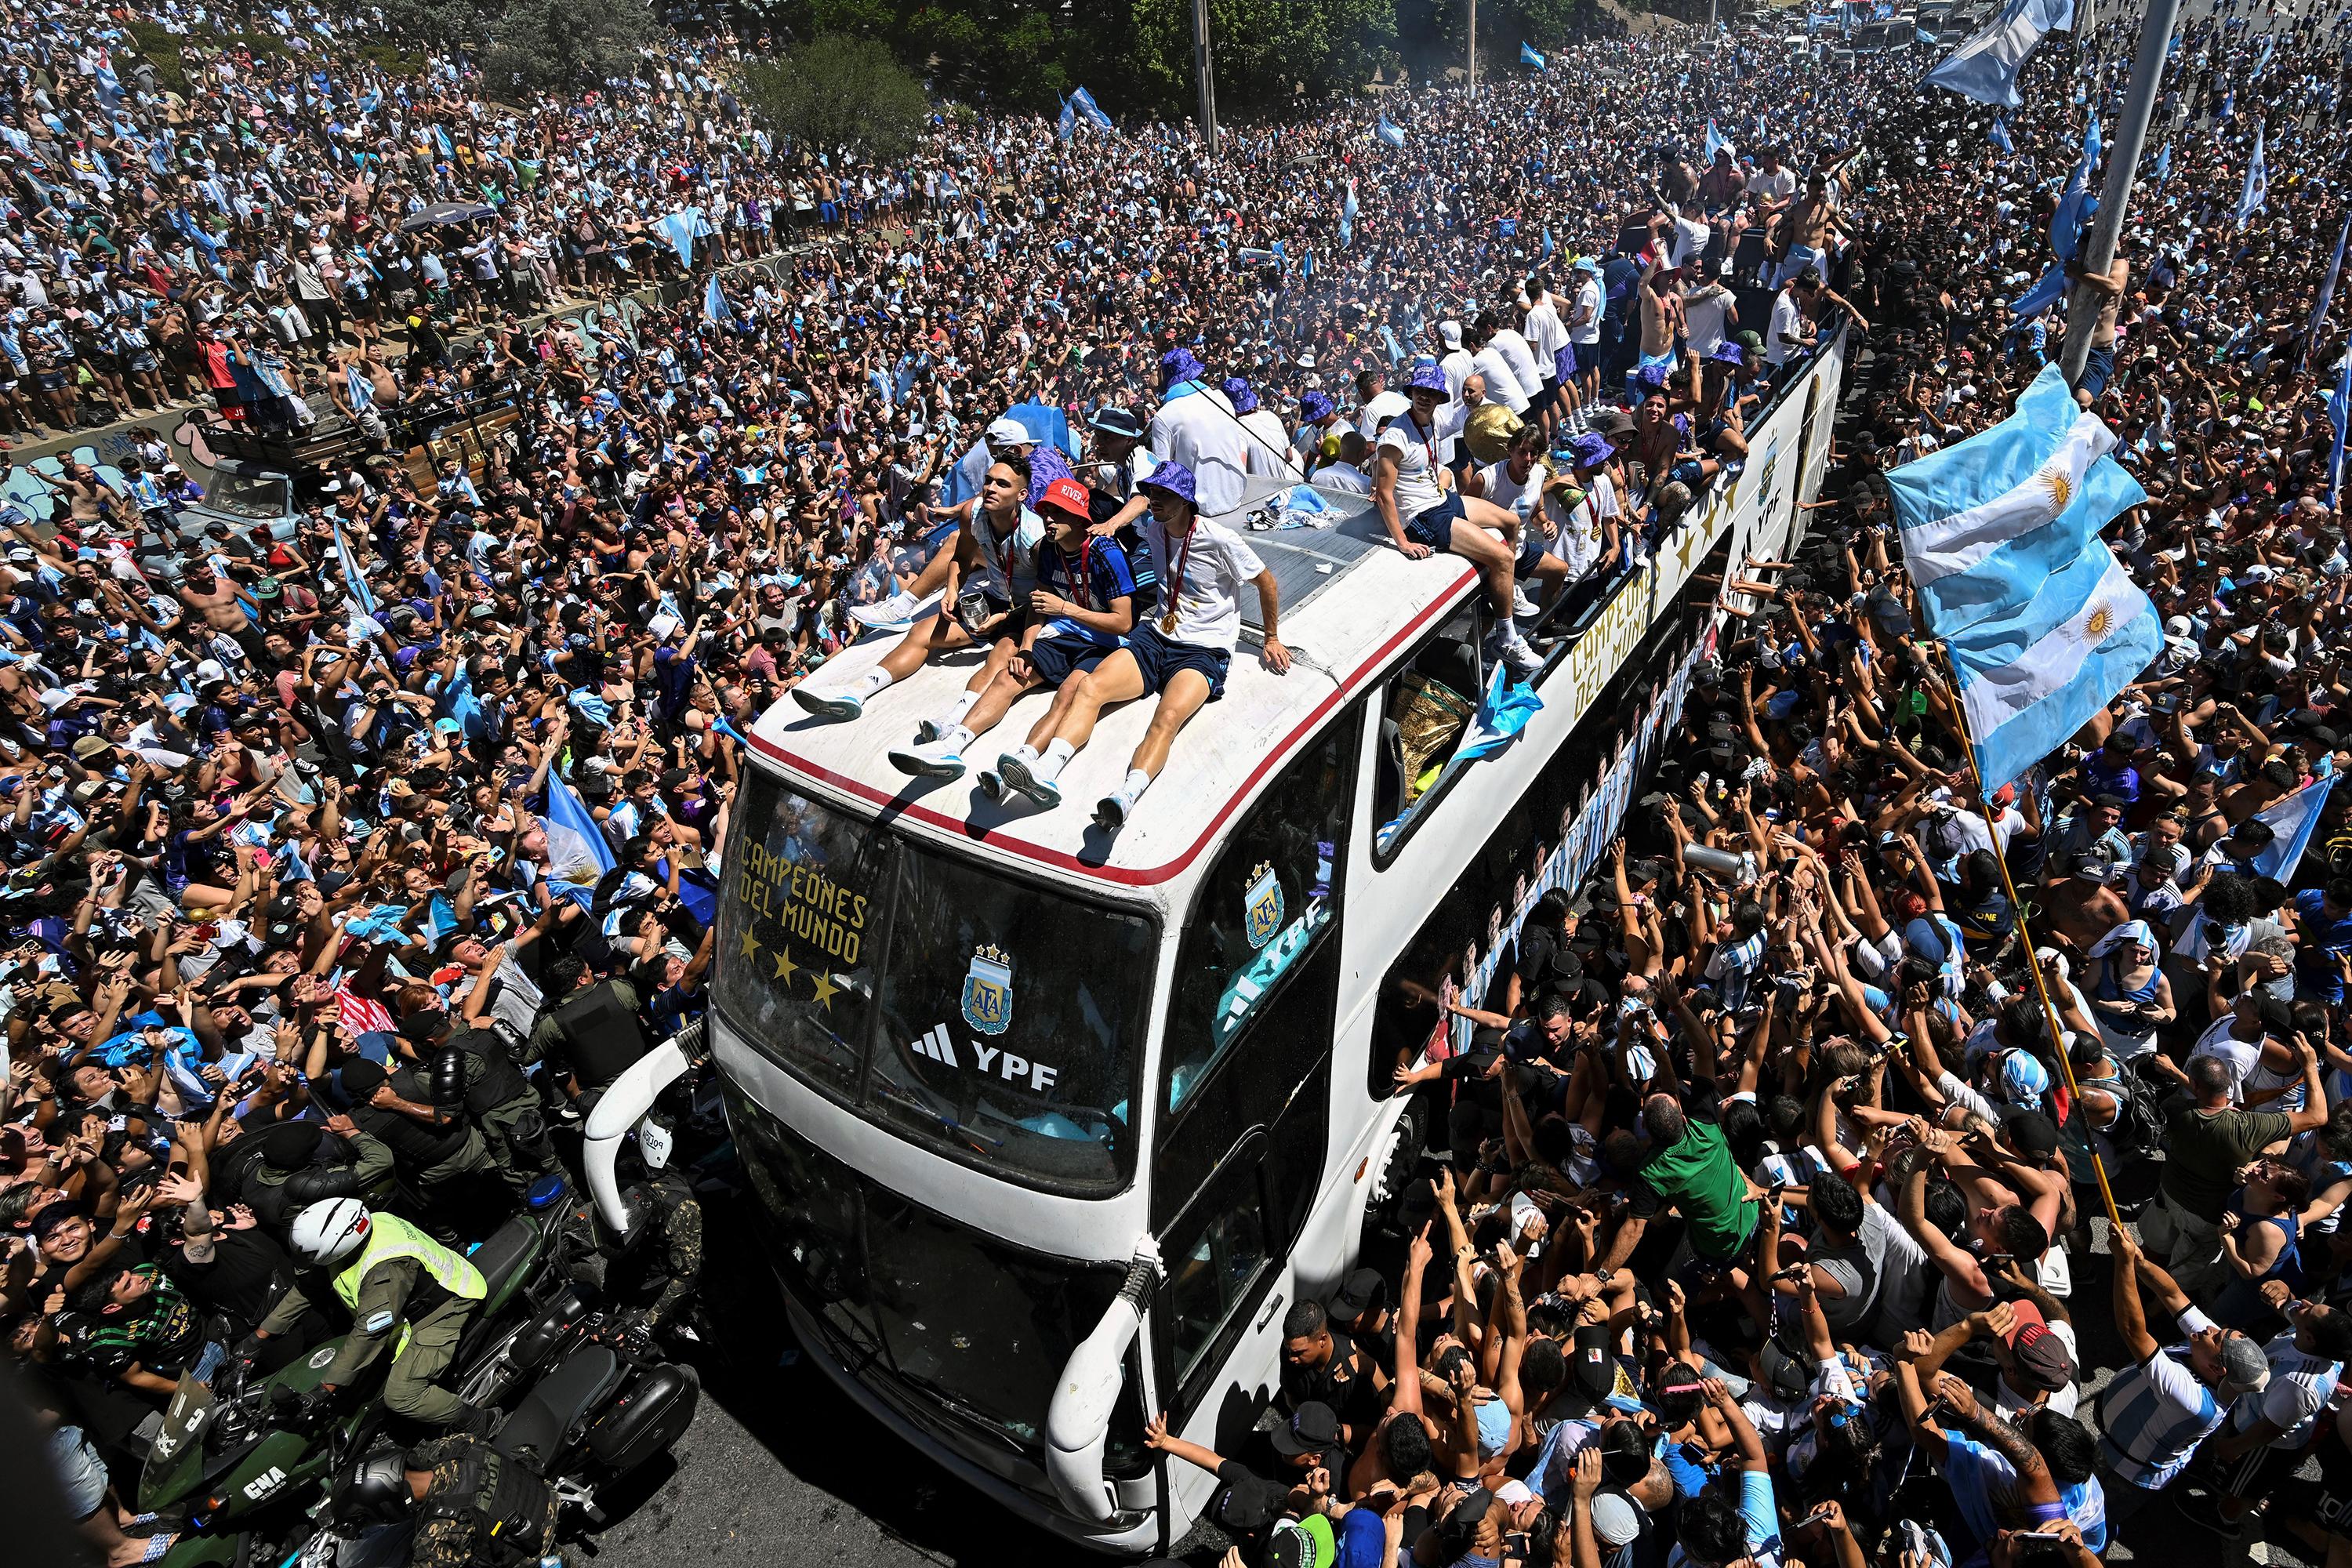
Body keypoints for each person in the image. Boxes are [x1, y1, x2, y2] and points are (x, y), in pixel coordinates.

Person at [989, 461, 1290, 829]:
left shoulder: (1219, 538)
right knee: (1090, 688)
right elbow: (1127, 516)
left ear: (1185, 500)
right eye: (1152, 492)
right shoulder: (1153, 528)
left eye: (1164, 494)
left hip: (1203, 649)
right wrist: (1111, 525)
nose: (1154, 499)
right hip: (1156, 636)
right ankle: (1048, 770)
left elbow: (1267, 582)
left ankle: (1126, 795)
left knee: (1167, 717)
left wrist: (1271, 638)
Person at [887, 474, 1136, 779]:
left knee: (1068, 695)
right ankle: (951, 747)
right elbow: (1038, 604)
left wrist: (1064, 609)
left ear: (1079, 517)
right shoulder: (1049, 547)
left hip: (1104, 644)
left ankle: (1026, 762)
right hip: (1062, 634)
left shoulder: (1106, 554)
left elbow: (1123, 623)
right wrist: (1028, 648)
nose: (1049, 519)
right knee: (1008, 677)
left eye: (1058, 512)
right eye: (1046, 511)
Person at [793, 456, 1044, 720]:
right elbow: (961, 557)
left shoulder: (1035, 537)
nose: (991, 488)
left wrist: (1005, 618)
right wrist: (951, 590)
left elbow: (1048, 597)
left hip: (1029, 613)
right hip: (994, 599)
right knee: (920, 632)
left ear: (1022, 495)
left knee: (1001, 656)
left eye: (1002, 485)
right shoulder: (974, 513)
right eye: (988, 481)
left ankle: (952, 724)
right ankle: (857, 691)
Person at [243, 1198, 493, 1433]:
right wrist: (257, 1338)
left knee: (403, 1395)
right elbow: (310, 1286)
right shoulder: (363, 1226)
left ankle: (481, 1422)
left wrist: (326, 1389)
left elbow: (371, 1331)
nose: (308, 1261)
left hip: (445, 1307)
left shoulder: (383, 1271)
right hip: (415, 1299)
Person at [1371, 365, 1544, 676]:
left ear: (1439, 398)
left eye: (1431, 393)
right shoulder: (1396, 436)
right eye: (1419, 391)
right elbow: (1384, 494)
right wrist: (1403, 541)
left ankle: (1510, 591)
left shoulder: (1432, 422)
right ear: (1411, 393)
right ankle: (1506, 638)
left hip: (1441, 499)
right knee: (1503, 557)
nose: (1424, 397)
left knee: (1511, 522)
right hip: (1422, 516)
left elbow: (1466, 422)